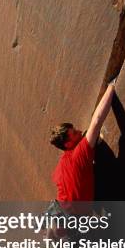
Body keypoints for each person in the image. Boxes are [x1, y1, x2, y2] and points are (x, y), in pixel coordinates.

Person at [49, 78, 117, 207]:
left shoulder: (61, 167)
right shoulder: (79, 155)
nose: (80, 132)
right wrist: (112, 86)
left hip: (63, 212)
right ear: (67, 144)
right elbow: (96, 121)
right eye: (75, 133)